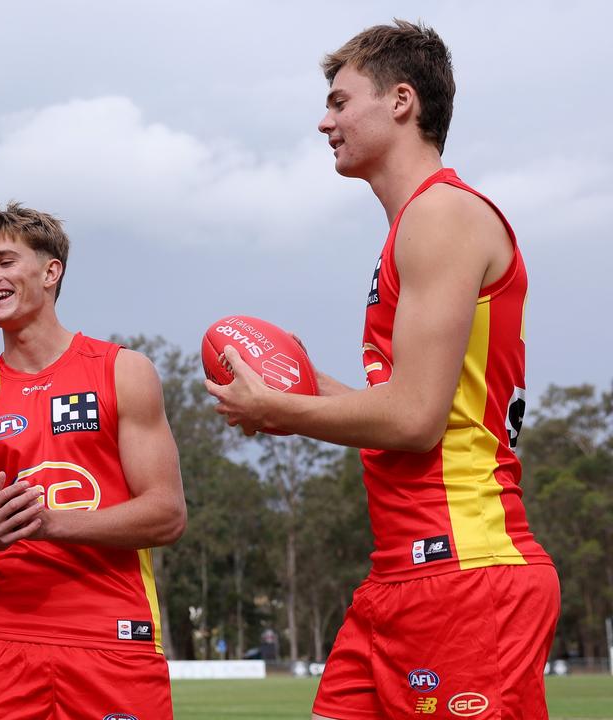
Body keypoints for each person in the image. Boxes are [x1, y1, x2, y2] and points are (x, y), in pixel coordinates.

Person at [206, 20, 559, 719]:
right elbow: (404, 401)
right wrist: (297, 381)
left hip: (464, 572)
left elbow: (416, 419)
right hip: (402, 575)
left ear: (402, 101)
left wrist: (284, 411)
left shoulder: (443, 216)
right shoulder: (414, 228)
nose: (324, 121)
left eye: (340, 101)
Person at [0, 202, 187, 719]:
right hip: (4, 645)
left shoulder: (123, 372)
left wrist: (49, 523)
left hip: (114, 638)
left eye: (5, 261)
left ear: (51, 272)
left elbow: (166, 513)